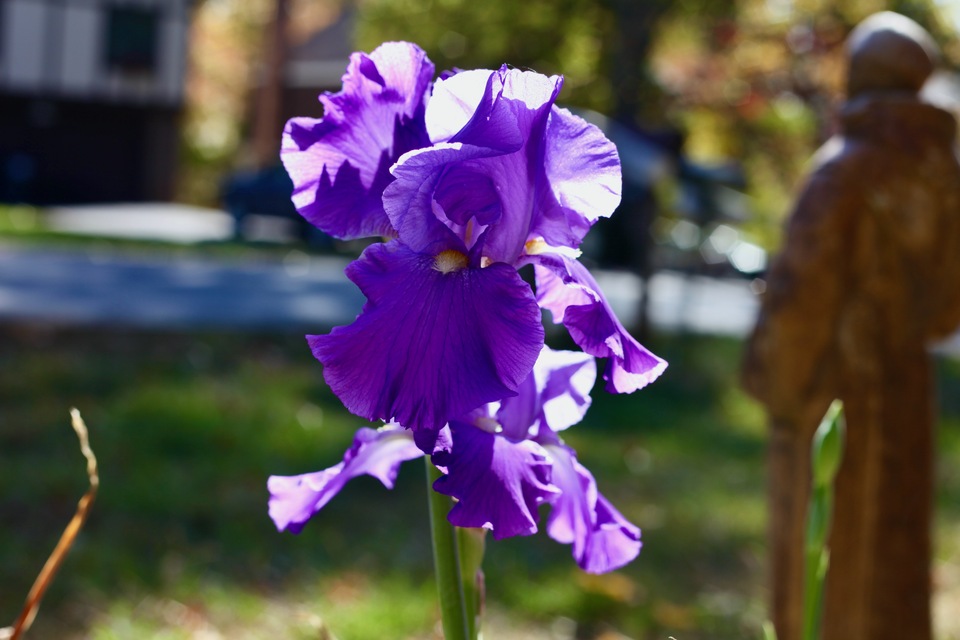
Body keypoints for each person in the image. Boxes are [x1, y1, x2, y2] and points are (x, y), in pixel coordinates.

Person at [742, 12, 960, 640]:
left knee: (826, 561)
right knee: (893, 560)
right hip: (908, 390)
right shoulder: (945, 179)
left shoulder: (842, 172)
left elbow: (798, 303)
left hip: (829, 387)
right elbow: (947, 310)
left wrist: (778, 391)